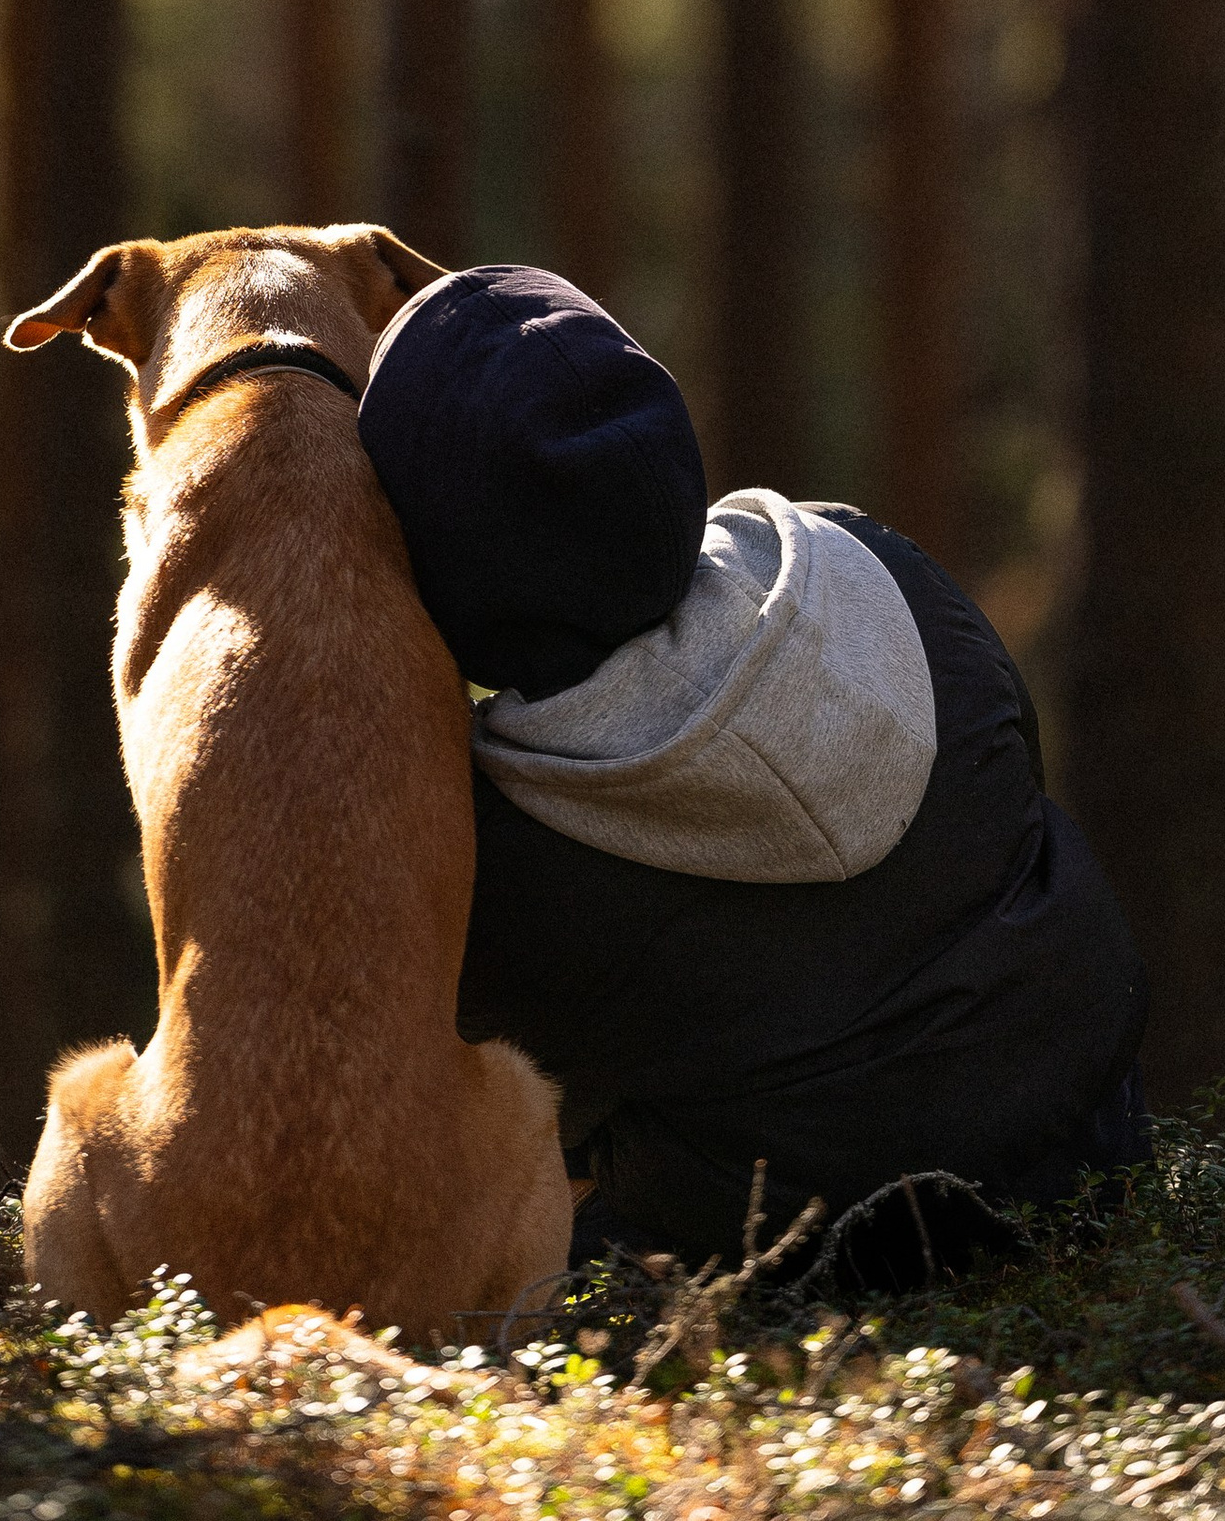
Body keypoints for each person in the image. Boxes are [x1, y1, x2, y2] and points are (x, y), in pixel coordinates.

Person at [355, 263, 1148, 1285]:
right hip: (1092, 1151)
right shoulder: (876, 567)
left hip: (813, 1265)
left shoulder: (495, 856)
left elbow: (493, 1107)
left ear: (438, 560)